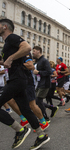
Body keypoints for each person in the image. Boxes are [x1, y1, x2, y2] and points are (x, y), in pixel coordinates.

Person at [0, 18, 50, 149]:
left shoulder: (11, 38)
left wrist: (10, 58)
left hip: (18, 79)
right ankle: (41, 135)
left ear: (5, 27)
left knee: (27, 107)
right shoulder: (8, 44)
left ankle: (19, 130)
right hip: (18, 79)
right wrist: (6, 61)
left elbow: (27, 47)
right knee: (25, 109)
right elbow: (11, 62)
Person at [33, 46, 52, 122]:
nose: (33, 52)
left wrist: (38, 72)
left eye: (34, 51)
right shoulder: (38, 61)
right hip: (39, 83)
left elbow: (49, 72)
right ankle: (45, 114)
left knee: (38, 101)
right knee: (36, 101)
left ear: (38, 51)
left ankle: (45, 118)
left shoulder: (44, 60)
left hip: (44, 84)